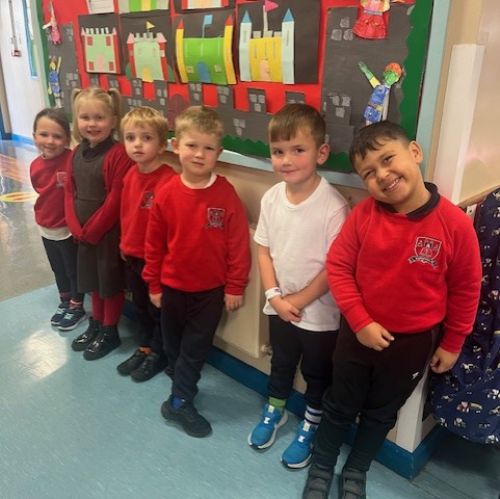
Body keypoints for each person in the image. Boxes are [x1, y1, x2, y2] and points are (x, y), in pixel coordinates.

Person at [302, 121, 482, 499]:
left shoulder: (454, 224)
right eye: (369, 173)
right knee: (339, 403)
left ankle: (357, 469)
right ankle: (322, 464)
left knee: (382, 413)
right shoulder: (364, 215)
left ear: (414, 152)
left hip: (412, 344)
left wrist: (452, 343)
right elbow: (338, 267)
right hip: (357, 334)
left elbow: (466, 289)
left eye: (387, 159)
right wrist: (360, 321)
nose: (382, 175)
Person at [247, 103, 349, 469]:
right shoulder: (271, 197)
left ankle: (310, 424)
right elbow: (263, 250)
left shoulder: (334, 206)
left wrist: (298, 301)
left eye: (298, 150)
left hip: (319, 316)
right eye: (278, 151)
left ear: (321, 153)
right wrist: (275, 297)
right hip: (279, 306)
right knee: (282, 362)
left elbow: (334, 268)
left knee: (317, 373)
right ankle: (275, 410)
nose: (286, 160)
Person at [143, 106, 251, 438]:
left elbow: (238, 244)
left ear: (219, 152)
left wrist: (235, 286)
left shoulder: (226, 193)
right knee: (174, 348)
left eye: (208, 148)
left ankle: (178, 402)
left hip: (210, 292)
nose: (199, 154)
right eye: (192, 145)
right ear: (176, 146)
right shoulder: (167, 193)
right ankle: (181, 383)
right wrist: (153, 283)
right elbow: (154, 243)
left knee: (195, 349)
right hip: (172, 289)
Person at [65, 87, 133, 361]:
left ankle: (109, 330)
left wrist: (92, 231)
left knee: (109, 283)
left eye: (99, 118)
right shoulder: (75, 153)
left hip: (106, 234)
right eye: (85, 117)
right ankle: (96, 323)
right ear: (76, 120)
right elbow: (69, 191)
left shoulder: (118, 154)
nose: (92, 124)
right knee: (93, 282)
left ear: (113, 120)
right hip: (83, 235)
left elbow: (116, 198)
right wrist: (74, 226)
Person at [116, 106, 176, 381]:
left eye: (146, 138)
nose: (137, 144)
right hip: (132, 255)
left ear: (162, 145)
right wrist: (123, 243)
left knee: (157, 309)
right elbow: (126, 213)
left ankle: (159, 352)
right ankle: (144, 346)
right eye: (130, 138)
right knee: (140, 305)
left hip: (156, 260)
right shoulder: (130, 175)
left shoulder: (169, 181)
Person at [30, 108, 86, 330]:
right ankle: (65, 300)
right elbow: (40, 189)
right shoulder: (35, 165)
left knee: (73, 269)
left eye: (57, 136)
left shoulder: (72, 160)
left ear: (67, 138)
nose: (50, 141)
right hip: (46, 227)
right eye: (44, 134)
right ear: (34, 136)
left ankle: (77, 305)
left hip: (67, 228)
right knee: (58, 268)